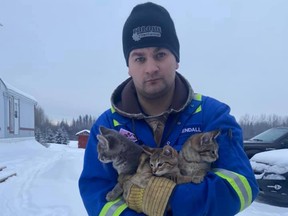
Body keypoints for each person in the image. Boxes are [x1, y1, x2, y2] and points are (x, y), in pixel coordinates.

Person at [78, 2, 259, 216]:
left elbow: (241, 186)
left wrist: (167, 198)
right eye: (140, 58)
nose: (151, 67)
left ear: (176, 59)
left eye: (160, 54)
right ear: (129, 66)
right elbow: (96, 194)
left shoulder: (212, 115)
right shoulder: (107, 127)